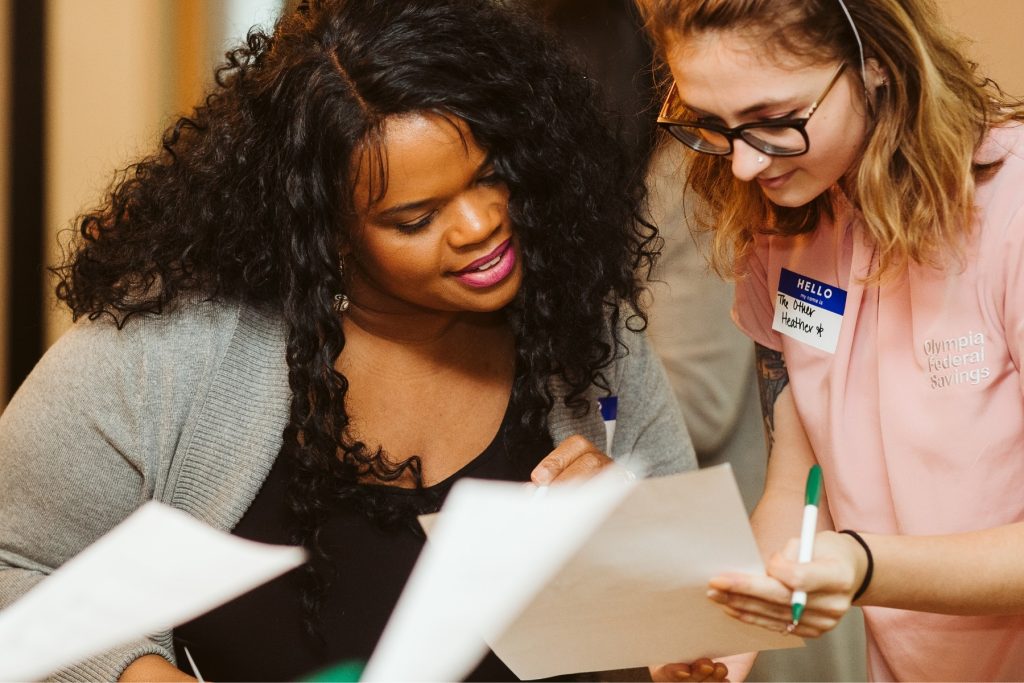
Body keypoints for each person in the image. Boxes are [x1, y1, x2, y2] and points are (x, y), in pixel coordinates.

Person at [0, 0, 703, 680]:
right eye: (416, 217)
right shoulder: (170, 354)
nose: (480, 224)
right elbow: (13, 567)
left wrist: (634, 559)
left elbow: (697, 628)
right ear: (330, 236)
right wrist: (139, 675)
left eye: (492, 175)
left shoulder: (582, 327)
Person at [636, 0, 1024, 680]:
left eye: (774, 120)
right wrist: (719, 647)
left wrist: (863, 563)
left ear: (874, 61)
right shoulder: (785, 234)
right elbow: (793, 488)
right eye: (715, 126)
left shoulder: (1009, 209)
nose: (746, 167)